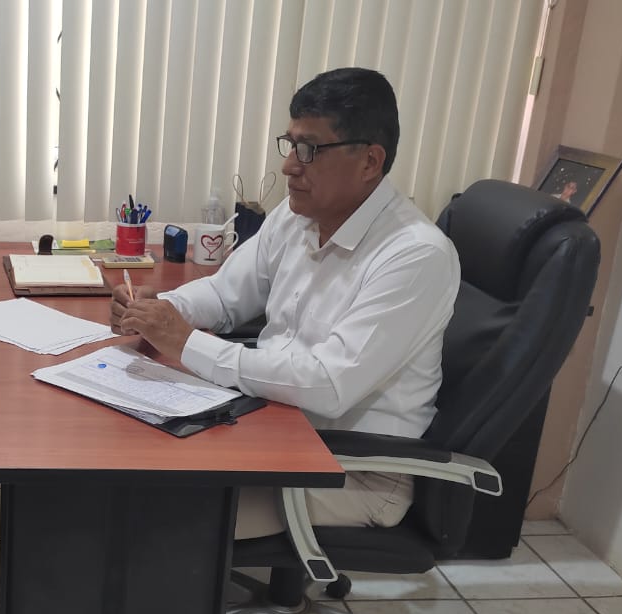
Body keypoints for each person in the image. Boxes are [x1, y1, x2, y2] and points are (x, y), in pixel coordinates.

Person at [111, 67, 459, 535]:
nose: (290, 166)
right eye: (290, 144)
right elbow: (225, 293)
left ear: (369, 161)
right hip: (273, 424)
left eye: (309, 149)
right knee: (121, 460)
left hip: (349, 470)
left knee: (149, 512)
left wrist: (185, 341)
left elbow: (328, 386)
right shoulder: (299, 215)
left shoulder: (415, 255)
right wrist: (163, 310)